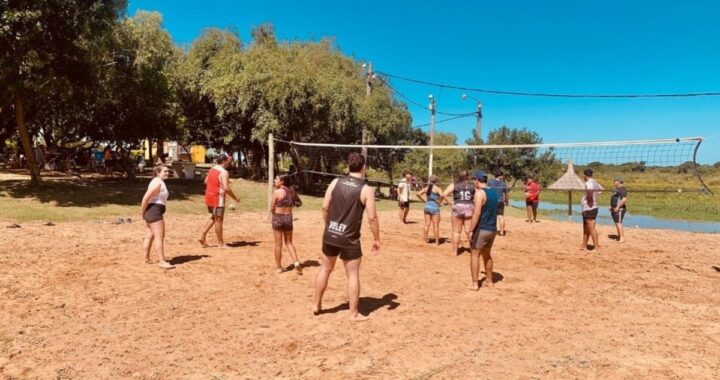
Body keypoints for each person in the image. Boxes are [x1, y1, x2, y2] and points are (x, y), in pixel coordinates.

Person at [314, 153, 380, 321]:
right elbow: (372, 217)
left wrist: (328, 225)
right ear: (363, 168)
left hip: (330, 233)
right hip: (349, 238)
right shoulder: (366, 189)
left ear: (348, 166)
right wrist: (376, 238)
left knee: (325, 269)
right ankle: (353, 314)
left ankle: (316, 305)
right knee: (353, 275)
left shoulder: (335, 182)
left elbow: (324, 207)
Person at [199, 154, 239, 248]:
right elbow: (226, 188)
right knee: (219, 220)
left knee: (214, 217)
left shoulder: (212, 169)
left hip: (209, 196)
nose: (229, 162)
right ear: (224, 161)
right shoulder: (224, 172)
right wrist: (235, 198)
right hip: (217, 198)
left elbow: (206, 181)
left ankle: (202, 235)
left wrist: (218, 182)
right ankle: (221, 244)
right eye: (228, 160)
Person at [139, 165, 175, 269]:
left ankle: (146, 258)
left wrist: (144, 212)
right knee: (159, 237)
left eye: (168, 171)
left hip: (152, 211)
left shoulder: (158, 182)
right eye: (165, 171)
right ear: (158, 173)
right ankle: (162, 261)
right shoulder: (157, 183)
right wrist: (141, 212)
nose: (167, 173)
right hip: (154, 211)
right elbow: (146, 197)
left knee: (150, 235)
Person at [468, 170, 499, 290]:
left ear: (477, 180)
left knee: (474, 255)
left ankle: (475, 284)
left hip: (482, 228)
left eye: (474, 180)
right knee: (487, 254)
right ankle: (489, 281)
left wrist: (471, 230)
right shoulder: (493, 192)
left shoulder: (480, 193)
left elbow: (476, 213)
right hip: (492, 229)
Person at [271, 174, 302, 274]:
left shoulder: (277, 192)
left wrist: (274, 215)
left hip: (278, 218)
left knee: (278, 245)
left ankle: (279, 267)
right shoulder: (291, 192)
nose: (274, 180)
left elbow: (272, 208)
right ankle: (296, 262)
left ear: (282, 181)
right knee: (289, 242)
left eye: (276, 179)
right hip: (288, 218)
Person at [443, 170, 475, 256]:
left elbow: (444, 194)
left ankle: (454, 252)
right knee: (469, 231)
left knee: (456, 231)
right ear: (467, 176)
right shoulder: (473, 185)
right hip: (469, 207)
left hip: (457, 207)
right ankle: (473, 251)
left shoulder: (454, 184)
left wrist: (450, 203)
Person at [416, 175, 446, 245]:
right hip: (434, 208)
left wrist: (424, 201)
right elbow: (442, 195)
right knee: (436, 226)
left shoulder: (427, 188)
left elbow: (418, 194)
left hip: (427, 207)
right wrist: (439, 202)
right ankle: (437, 242)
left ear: (429, 180)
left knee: (427, 224)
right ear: (436, 181)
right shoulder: (437, 188)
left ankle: (425, 240)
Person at [581, 168, 603, 251]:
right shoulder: (595, 181)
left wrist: (590, 199)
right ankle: (584, 245)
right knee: (586, 227)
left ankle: (596, 247)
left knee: (591, 227)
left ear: (585, 175)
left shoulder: (589, 182)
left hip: (589, 207)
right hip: (592, 207)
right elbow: (601, 190)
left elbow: (590, 190)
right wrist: (595, 196)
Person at [488, 170, 509, 236]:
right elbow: (506, 194)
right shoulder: (503, 183)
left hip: (492, 201)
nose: (503, 177)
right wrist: (507, 202)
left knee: (491, 216)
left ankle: (491, 230)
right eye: (502, 175)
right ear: (500, 176)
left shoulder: (490, 182)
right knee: (501, 216)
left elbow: (487, 191)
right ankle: (502, 232)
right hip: (500, 201)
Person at [610, 177, 628, 243]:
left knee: (619, 223)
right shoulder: (617, 189)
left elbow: (624, 199)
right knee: (617, 223)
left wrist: (618, 207)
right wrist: (611, 206)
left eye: (615, 181)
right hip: (614, 208)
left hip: (620, 209)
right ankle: (619, 236)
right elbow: (614, 198)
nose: (614, 182)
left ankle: (622, 238)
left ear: (619, 182)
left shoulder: (622, 189)